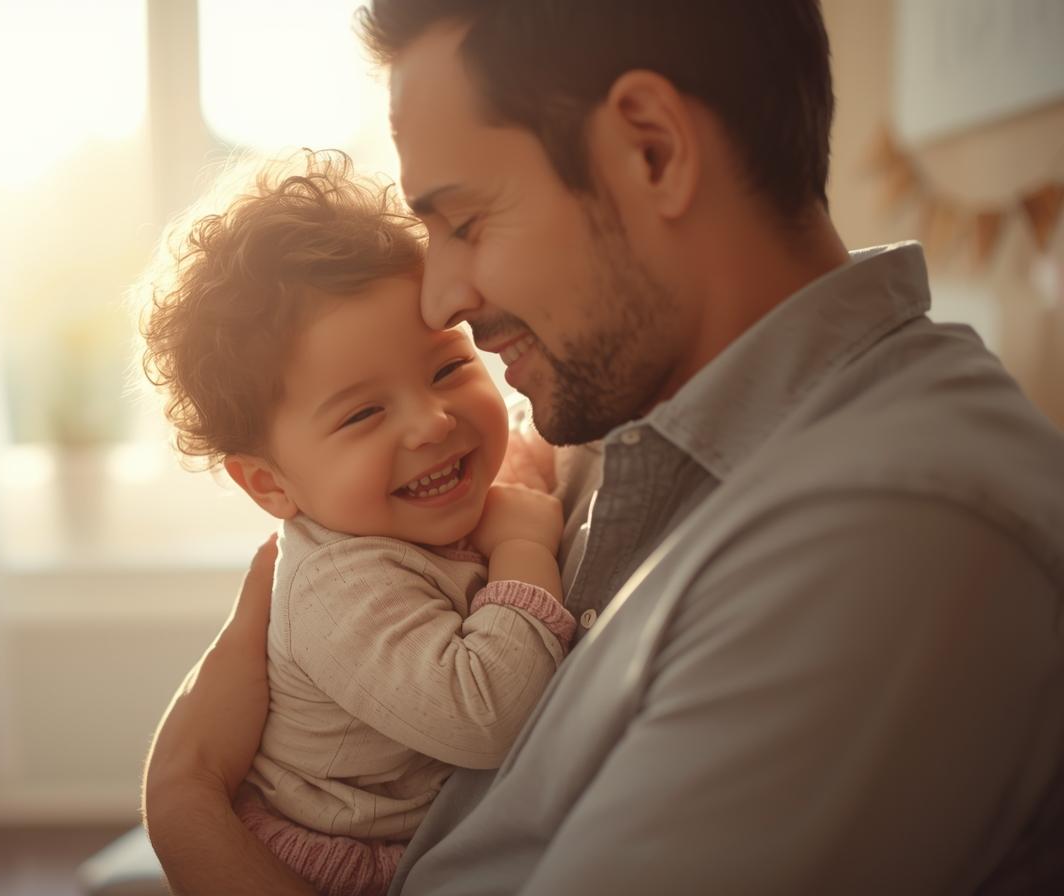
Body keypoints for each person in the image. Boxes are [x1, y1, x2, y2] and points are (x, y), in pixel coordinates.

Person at [142, 0, 1064, 893]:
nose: (439, 298)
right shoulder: (631, 421)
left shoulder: (890, 531)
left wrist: (186, 803)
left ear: (651, 151)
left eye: (463, 222)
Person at [138, 151, 575, 896]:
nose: (434, 423)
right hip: (330, 866)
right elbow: (486, 716)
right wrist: (526, 547)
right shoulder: (337, 580)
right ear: (270, 483)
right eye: (365, 412)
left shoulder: (419, 505)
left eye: (448, 370)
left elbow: (535, 455)